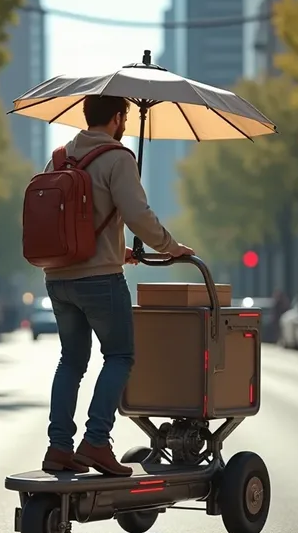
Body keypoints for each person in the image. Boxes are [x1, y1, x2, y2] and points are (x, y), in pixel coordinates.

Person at [41, 95, 194, 477]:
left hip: (58, 277)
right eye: (124, 115)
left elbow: (68, 220)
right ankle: (96, 440)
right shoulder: (119, 157)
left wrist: (116, 247)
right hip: (99, 280)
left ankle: (58, 447)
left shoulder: (60, 157)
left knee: (71, 361)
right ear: (116, 117)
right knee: (120, 355)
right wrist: (170, 247)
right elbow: (138, 215)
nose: (125, 121)